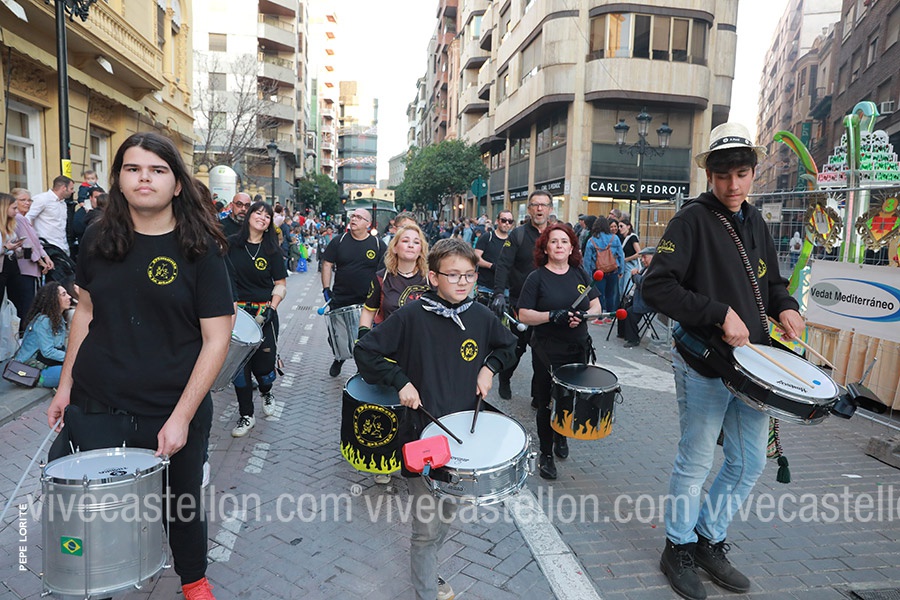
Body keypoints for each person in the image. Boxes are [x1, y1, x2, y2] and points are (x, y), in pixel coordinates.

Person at [46, 131, 233, 600]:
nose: (144, 178)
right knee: (89, 506)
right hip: (97, 401)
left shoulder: (201, 247)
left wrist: (182, 417)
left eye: (157, 170)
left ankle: (193, 580)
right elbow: (85, 313)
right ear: (119, 179)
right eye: (132, 169)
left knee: (180, 503)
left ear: (176, 183)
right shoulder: (97, 237)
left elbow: (217, 339)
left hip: (170, 406)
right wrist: (65, 387)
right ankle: (94, 582)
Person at [642, 122, 803, 600]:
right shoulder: (690, 221)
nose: (733, 185)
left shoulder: (756, 221)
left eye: (742, 174)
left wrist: (786, 306)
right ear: (710, 176)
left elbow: (771, 283)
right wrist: (718, 313)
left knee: (749, 461)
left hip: (752, 365)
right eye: (723, 175)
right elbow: (656, 287)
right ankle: (677, 547)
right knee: (695, 461)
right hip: (704, 362)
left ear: (753, 173)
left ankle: (708, 539)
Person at [354, 238, 517, 600]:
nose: (463, 282)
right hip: (421, 435)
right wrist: (401, 381)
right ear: (433, 277)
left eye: (469, 275)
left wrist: (490, 367)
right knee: (427, 529)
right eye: (453, 275)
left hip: (463, 439)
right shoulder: (412, 316)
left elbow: (509, 345)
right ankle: (426, 588)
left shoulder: (481, 315)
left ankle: (428, 567)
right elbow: (365, 350)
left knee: (446, 514)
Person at [517, 223, 600, 479]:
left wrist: (583, 316)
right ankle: (546, 454)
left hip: (577, 348)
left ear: (572, 247)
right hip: (547, 351)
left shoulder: (580, 274)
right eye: (554, 241)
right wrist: (552, 316)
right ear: (545, 248)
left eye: (564, 241)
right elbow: (523, 315)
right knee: (546, 402)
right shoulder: (536, 278)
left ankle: (561, 435)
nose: (559, 246)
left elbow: (596, 306)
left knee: (568, 399)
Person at [358, 223, 431, 484]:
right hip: (389, 352)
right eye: (406, 240)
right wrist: (364, 337)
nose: (411, 245)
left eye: (416, 241)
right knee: (388, 408)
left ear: (421, 249)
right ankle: (385, 461)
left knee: (419, 406)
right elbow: (369, 310)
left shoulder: (431, 279)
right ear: (396, 247)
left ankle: (419, 458)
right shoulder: (382, 278)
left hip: (421, 352)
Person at [226, 200, 287, 437]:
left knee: (264, 368)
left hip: (264, 314)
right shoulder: (231, 245)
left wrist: (272, 306)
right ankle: (246, 415)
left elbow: (280, 284)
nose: (262, 217)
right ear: (249, 215)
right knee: (239, 369)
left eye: (267, 216)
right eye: (258, 213)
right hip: (237, 315)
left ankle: (266, 391)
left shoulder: (272, 250)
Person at [491, 190, 553, 399]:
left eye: (543, 205)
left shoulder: (556, 236)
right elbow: (503, 265)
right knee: (517, 348)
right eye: (535, 205)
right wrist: (499, 293)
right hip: (521, 303)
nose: (539, 209)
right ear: (529, 209)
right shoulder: (517, 235)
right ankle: (505, 378)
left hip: (547, 305)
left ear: (550, 209)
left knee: (542, 353)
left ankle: (538, 396)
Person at [321, 207, 385, 376]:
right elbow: (327, 263)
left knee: (364, 337)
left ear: (368, 224)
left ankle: (360, 369)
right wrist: (326, 288)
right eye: (353, 216)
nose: (354, 219)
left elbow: (386, 269)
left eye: (359, 217)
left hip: (367, 301)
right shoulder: (339, 241)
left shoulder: (377, 244)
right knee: (336, 336)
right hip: (341, 297)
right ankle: (339, 358)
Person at [2, 192, 52, 327]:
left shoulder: (23, 219)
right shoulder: (18, 219)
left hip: (26, 265)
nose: (27, 203)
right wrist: (40, 261)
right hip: (23, 267)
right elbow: (28, 243)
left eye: (29, 200)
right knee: (25, 305)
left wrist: (45, 256)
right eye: (22, 200)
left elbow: (35, 242)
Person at [13, 283, 72, 388]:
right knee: (77, 371)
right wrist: (71, 358)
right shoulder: (44, 321)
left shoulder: (58, 319)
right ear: (53, 299)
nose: (69, 297)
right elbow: (48, 351)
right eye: (64, 294)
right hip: (33, 371)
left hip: (47, 365)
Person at [583, 216, 624, 323]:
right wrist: (621, 270)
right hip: (613, 270)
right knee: (611, 294)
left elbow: (587, 260)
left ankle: (599, 317)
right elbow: (621, 255)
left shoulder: (591, 240)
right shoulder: (615, 238)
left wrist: (587, 275)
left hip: (598, 272)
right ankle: (610, 316)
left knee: (599, 294)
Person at [26, 175, 75, 255]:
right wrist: (33, 240)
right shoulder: (42, 199)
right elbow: (28, 217)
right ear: (63, 188)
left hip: (63, 247)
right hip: (47, 247)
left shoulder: (63, 203)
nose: (73, 191)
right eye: (71, 188)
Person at [474, 210, 514, 303]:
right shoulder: (487, 237)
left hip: (505, 288)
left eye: (510, 221)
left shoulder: (513, 240)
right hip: (486, 287)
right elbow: (475, 258)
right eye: (503, 220)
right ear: (497, 221)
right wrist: (491, 266)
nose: (507, 223)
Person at [621, 246, 655, 348]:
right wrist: (635, 275)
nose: (642, 260)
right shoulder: (646, 268)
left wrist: (635, 275)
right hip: (639, 298)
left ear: (653, 257)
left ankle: (633, 339)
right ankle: (623, 333)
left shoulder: (656, 269)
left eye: (645, 257)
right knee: (622, 308)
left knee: (630, 313)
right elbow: (637, 280)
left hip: (649, 301)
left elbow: (643, 283)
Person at [618, 217, 641, 294]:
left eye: (621, 226)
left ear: (628, 226)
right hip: (624, 266)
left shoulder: (632, 237)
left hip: (631, 265)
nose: (619, 228)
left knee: (627, 287)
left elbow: (639, 253)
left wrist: (627, 259)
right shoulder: (621, 238)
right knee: (621, 288)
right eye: (619, 226)